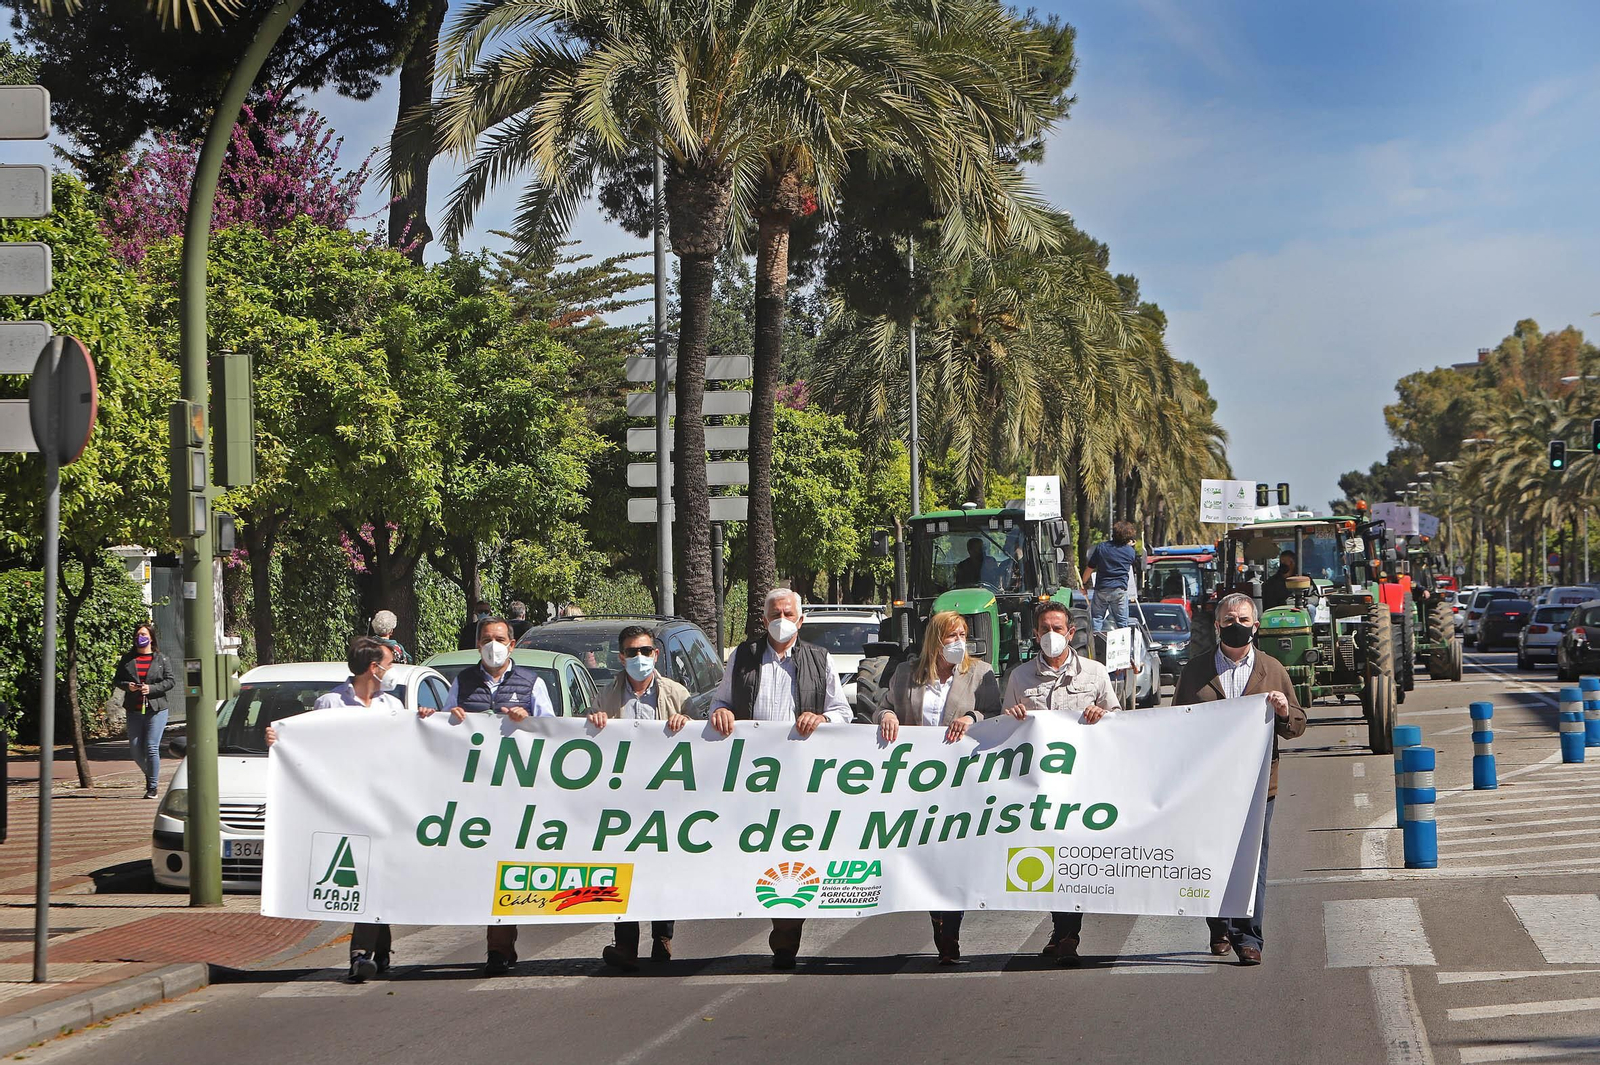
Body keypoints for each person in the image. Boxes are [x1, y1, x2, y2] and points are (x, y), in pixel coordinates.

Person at [708, 587, 851, 969]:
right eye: (775, 614)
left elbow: (843, 714)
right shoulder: (742, 658)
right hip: (750, 779)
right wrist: (720, 714)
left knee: (793, 852)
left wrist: (821, 720)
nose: (781, 620)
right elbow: (719, 702)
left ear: (800, 620)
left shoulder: (820, 660)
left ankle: (785, 936)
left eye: (788, 613)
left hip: (801, 780)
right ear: (764, 619)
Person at [1172, 592, 1306, 966]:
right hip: (1208, 786)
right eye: (1229, 620)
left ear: (1256, 625)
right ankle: (1219, 926)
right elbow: (1175, 725)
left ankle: (1249, 937)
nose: (1236, 626)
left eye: (1243, 620)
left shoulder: (1273, 669)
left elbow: (1297, 725)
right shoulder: (1196, 671)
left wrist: (1282, 710)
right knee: (1211, 857)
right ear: (1217, 626)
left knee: (1252, 861)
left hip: (1259, 785)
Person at [265, 637, 403, 983]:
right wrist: (280, 739)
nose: (391, 670)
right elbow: (309, 745)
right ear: (375, 668)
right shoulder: (330, 703)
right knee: (364, 878)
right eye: (389, 662)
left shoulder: (392, 707)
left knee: (377, 878)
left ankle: (377, 951)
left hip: (384, 806)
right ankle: (361, 955)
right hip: (345, 807)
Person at [423, 617, 556, 974]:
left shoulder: (532, 683)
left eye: (499, 639)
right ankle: (500, 944)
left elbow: (552, 732)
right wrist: (447, 718)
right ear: (477, 645)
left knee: (504, 869)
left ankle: (499, 947)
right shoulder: (462, 682)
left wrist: (527, 720)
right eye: (486, 639)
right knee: (482, 871)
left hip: (514, 793)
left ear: (512, 645)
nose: (493, 645)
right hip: (473, 795)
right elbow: (441, 730)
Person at [875, 611, 1000, 964]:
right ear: (935, 640)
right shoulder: (906, 674)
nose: (959, 641)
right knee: (928, 856)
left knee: (955, 855)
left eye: (962, 634)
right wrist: (886, 716)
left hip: (962, 780)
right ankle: (938, 919)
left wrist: (970, 718)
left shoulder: (980, 673)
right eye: (951, 636)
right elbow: (884, 707)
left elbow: (995, 713)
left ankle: (950, 933)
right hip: (917, 782)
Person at [1001, 600, 1120, 966]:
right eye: (1045, 629)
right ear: (1036, 634)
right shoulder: (1020, 678)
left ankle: (1067, 933)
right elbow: (1005, 725)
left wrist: (1104, 714)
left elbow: (1119, 720)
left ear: (1071, 633)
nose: (1052, 635)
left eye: (1059, 628)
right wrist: (1012, 716)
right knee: (1049, 857)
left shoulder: (1095, 674)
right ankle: (1062, 929)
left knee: (1072, 854)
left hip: (1083, 781)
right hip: (1039, 785)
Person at [589, 626, 692, 971]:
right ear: (621, 657)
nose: (639, 658)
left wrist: (687, 722)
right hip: (622, 799)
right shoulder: (606, 695)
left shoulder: (678, 694)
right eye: (631, 652)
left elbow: (703, 741)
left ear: (656, 654)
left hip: (666, 797)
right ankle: (626, 945)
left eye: (645, 651)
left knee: (662, 868)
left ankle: (663, 938)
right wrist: (594, 722)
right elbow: (585, 738)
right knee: (622, 869)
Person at [113, 623, 175, 799]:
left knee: (151, 746)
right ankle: (151, 774)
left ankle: (152, 787)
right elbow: (117, 680)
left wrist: (152, 688)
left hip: (156, 709)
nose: (140, 638)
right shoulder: (128, 659)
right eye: (138, 634)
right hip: (134, 709)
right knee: (135, 749)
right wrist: (128, 686)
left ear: (151, 638)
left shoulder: (161, 659)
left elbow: (170, 681)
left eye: (144, 634)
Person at [1082, 521, 1139, 631]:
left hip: (1102, 588)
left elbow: (1090, 568)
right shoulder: (1130, 552)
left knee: (1097, 619)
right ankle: (1123, 646)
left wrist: (1084, 583)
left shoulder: (1102, 547)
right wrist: (1129, 545)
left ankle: (1096, 644)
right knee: (1122, 623)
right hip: (1119, 590)